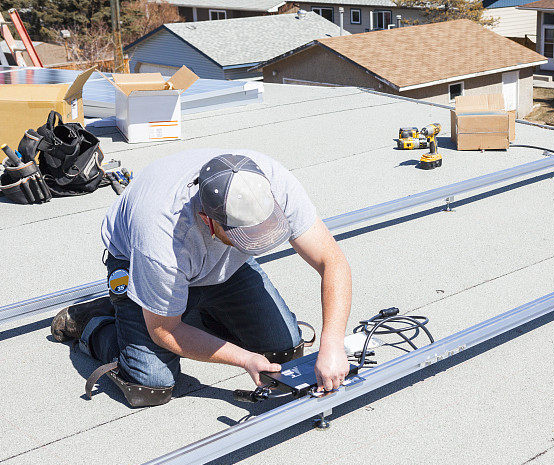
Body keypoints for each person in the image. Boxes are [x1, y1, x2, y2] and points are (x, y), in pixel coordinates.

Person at [51, 149, 352, 407]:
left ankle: (176, 305)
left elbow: (332, 260)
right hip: (141, 263)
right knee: (152, 385)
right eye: (245, 237)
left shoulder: (271, 181)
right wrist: (244, 359)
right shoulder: (161, 237)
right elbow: (164, 332)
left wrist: (333, 343)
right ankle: (97, 320)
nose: (255, 243)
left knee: (284, 349)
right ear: (208, 220)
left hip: (220, 267)